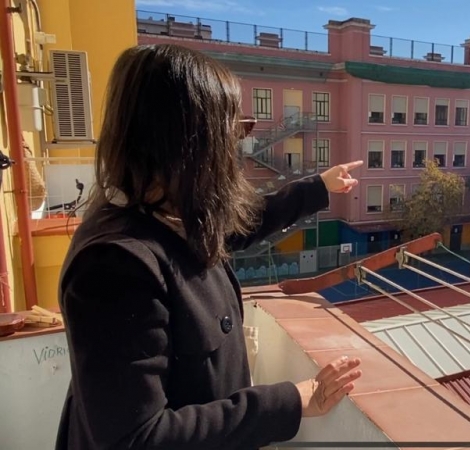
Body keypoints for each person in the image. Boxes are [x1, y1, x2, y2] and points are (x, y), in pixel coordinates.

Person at [55, 43, 363, 450]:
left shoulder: (164, 218)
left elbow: (237, 226)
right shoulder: (115, 266)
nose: (237, 148)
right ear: (187, 144)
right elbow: (138, 439)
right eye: (233, 131)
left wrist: (317, 189)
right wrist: (290, 400)